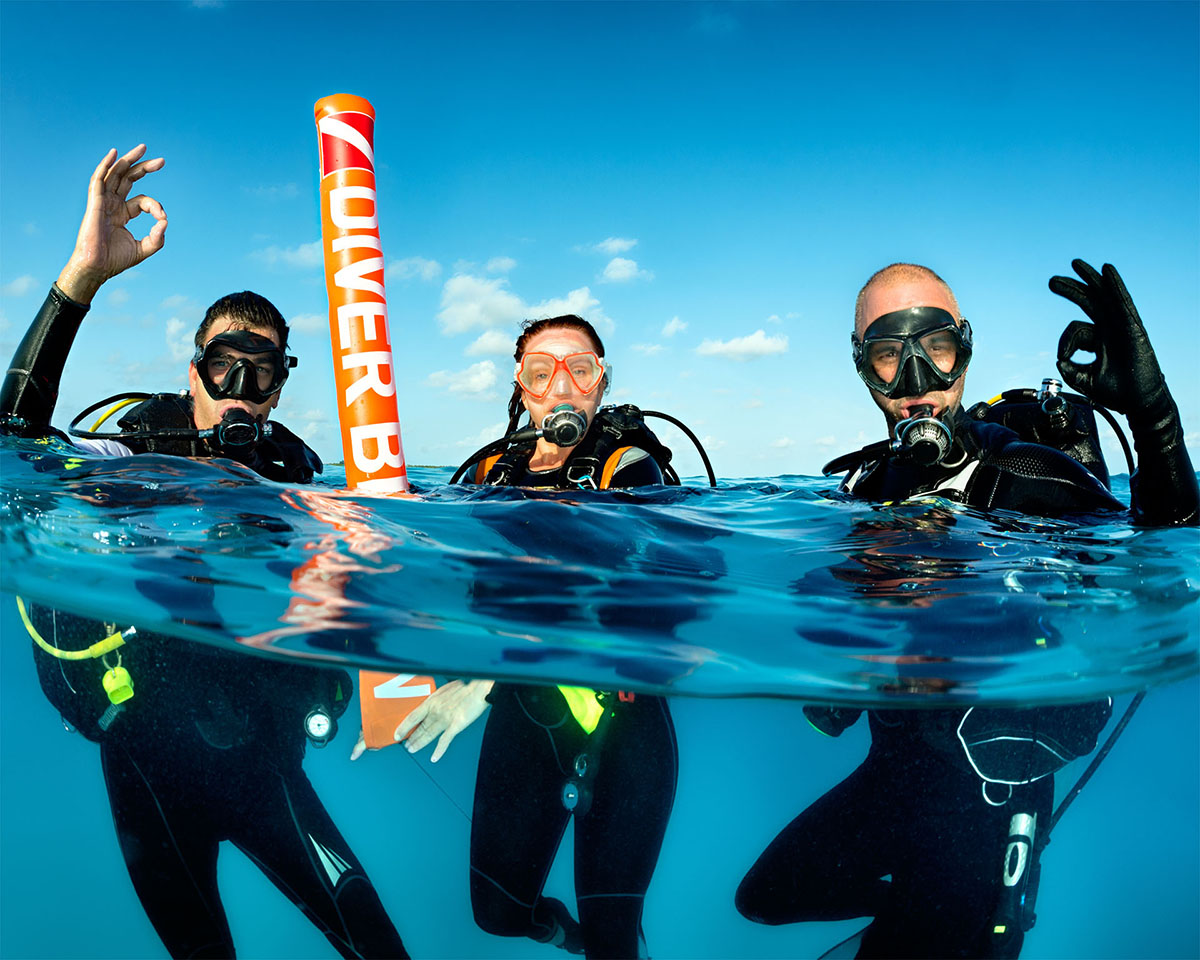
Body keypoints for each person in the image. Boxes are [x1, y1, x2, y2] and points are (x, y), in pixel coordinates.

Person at [0, 145, 410, 959]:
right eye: (226, 365)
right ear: (194, 375)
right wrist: (81, 279)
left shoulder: (295, 476)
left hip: (266, 766)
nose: (241, 391)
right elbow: (10, 445)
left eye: (263, 373)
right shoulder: (136, 450)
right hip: (145, 765)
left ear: (282, 389)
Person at [735, 261, 1198, 959]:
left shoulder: (1027, 475)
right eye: (891, 353)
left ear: (966, 352)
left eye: (937, 347)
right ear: (863, 368)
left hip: (991, 795)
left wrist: (1153, 416)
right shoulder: (864, 484)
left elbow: (1165, 564)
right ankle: (917, 904)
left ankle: (954, 909)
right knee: (765, 898)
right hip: (895, 781)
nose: (917, 378)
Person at [384, 315, 679, 958]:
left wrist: (484, 679)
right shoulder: (487, 472)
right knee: (495, 914)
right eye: (542, 371)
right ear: (521, 386)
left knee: (614, 940)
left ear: (603, 381)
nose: (562, 386)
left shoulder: (631, 468)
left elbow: (618, 584)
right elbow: (428, 564)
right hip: (527, 719)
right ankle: (559, 934)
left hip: (625, 725)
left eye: (581, 367)